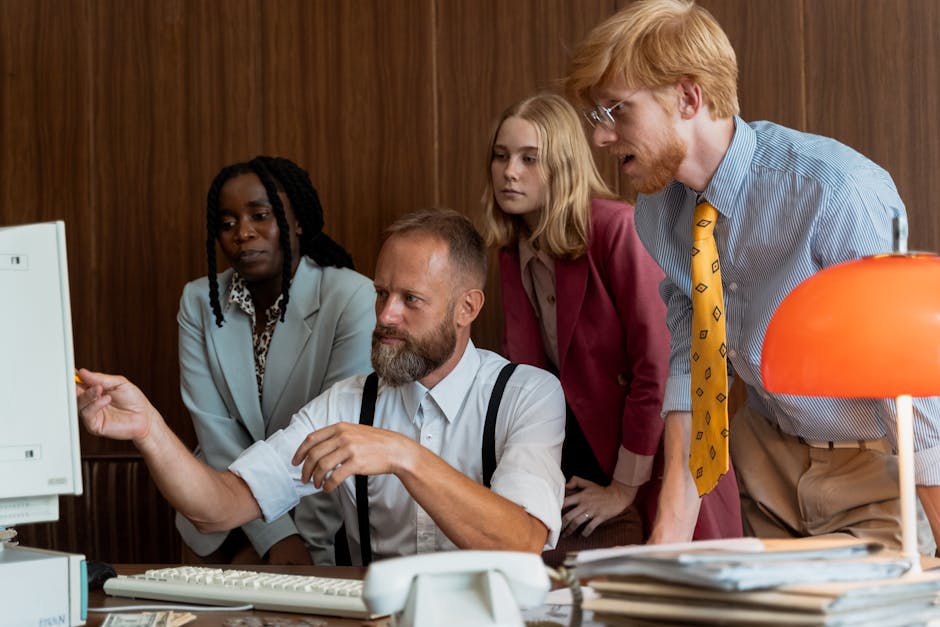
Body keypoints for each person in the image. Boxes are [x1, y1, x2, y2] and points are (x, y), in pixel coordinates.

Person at [564, 0, 940, 552]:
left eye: (616, 111)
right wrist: (664, 547)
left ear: (687, 97)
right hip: (764, 459)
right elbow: (696, 366)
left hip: (874, 465)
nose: (600, 138)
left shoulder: (836, 192)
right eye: (597, 117)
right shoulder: (657, 212)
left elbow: (919, 386)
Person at [77, 209, 566, 565]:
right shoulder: (349, 402)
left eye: (410, 299)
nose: (386, 315)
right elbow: (218, 507)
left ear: (468, 307)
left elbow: (519, 541)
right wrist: (148, 430)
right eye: (381, 294)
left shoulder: (529, 395)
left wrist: (404, 455)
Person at [479, 92, 741, 563]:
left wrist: (623, 486)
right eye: (501, 156)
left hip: (663, 459)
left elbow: (659, 368)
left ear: (563, 164)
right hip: (585, 465)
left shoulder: (616, 228)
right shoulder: (511, 249)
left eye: (528, 158)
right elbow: (528, 379)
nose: (509, 172)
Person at [177, 155, 376, 565]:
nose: (243, 234)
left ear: (296, 222)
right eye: (227, 223)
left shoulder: (352, 297)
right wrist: (275, 536)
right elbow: (216, 436)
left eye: (260, 216)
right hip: (219, 514)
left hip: (322, 509)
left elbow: (334, 433)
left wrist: (304, 542)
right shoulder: (199, 302)